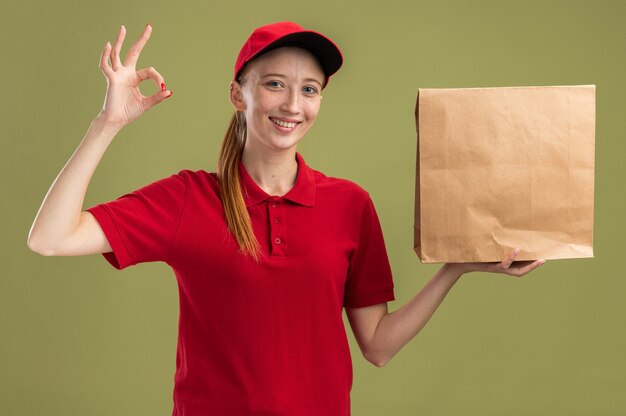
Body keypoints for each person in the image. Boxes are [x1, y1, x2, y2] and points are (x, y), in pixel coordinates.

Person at [27, 21, 545, 416]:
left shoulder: (350, 205)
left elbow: (378, 347)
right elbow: (50, 238)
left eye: (310, 88)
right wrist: (107, 123)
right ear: (239, 94)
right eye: (274, 83)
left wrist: (455, 267)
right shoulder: (189, 198)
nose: (292, 104)